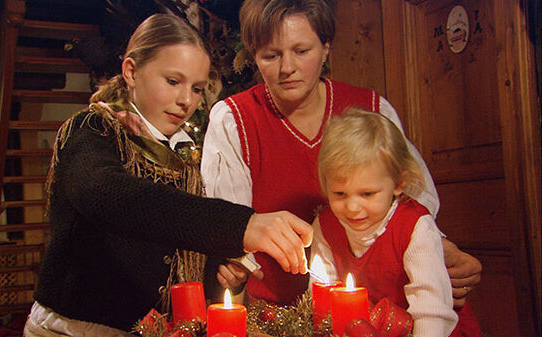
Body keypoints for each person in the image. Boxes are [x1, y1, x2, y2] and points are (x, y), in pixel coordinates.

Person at [24, 14, 312, 337]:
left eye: (198, 88)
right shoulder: (90, 131)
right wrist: (241, 225)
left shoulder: (183, 157)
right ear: (131, 72)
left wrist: (223, 273)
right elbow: (112, 196)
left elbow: (176, 245)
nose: (186, 101)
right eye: (173, 82)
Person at [201, 0, 481, 306]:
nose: (287, 68)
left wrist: (440, 248)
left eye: (302, 51)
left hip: (373, 311)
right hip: (273, 312)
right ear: (254, 55)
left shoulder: (372, 111)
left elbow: (411, 206)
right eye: (271, 55)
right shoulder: (233, 120)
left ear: (325, 47)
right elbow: (229, 224)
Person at [311, 109, 461, 336]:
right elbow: (320, 290)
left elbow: (431, 309)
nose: (352, 207)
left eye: (367, 194)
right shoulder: (325, 225)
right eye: (340, 193)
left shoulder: (415, 226)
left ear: (399, 184)